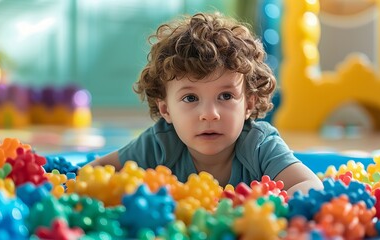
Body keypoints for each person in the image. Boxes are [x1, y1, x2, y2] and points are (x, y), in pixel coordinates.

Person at [89, 12, 323, 195]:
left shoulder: (259, 145)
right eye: (190, 98)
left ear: (249, 104)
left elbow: (308, 184)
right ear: (165, 109)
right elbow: (95, 171)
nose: (210, 114)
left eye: (226, 96)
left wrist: (271, 210)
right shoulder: (160, 144)